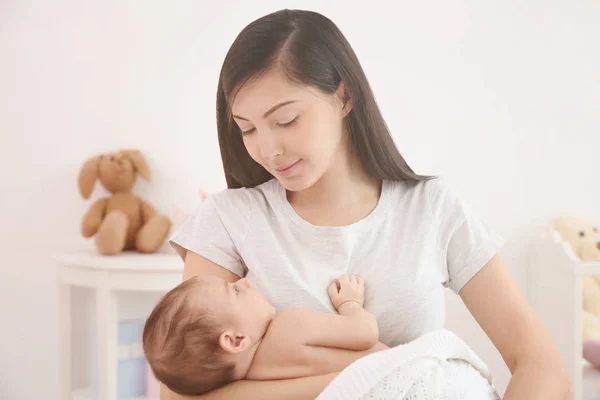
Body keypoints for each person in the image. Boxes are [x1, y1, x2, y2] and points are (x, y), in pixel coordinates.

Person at [163, 8, 571, 400]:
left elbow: (541, 366)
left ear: (344, 96)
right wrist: (363, 377)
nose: (268, 150)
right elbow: (180, 394)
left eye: (286, 120)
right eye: (247, 129)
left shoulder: (432, 208)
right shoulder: (228, 220)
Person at [144, 273, 387, 396]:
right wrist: (351, 304)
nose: (245, 281)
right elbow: (366, 333)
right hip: (405, 375)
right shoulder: (289, 326)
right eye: (236, 291)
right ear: (235, 340)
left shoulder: (254, 381)